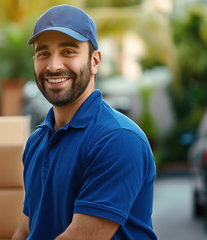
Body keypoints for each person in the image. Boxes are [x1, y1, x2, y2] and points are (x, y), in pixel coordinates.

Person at [12, 5, 157, 240]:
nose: (53, 66)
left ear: (95, 61)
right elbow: (26, 230)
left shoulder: (118, 139)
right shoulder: (36, 142)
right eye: (43, 53)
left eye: (68, 51)